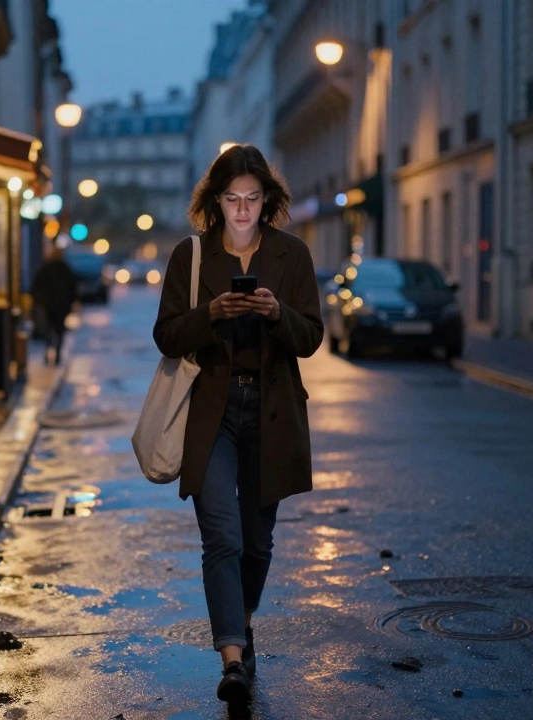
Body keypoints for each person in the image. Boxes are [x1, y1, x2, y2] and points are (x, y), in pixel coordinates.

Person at [152, 144, 323, 706]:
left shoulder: (291, 255)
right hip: (213, 415)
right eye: (232, 199)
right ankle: (231, 657)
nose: (242, 209)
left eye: (252, 199)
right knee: (221, 536)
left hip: (272, 414)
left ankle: (242, 623)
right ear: (216, 201)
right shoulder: (191, 256)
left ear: (266, 200)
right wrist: (213, 314)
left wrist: (276, 314)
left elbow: (312, 337)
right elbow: (168, 335)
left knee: (257, 542)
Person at [31, 246, 78, 365]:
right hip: (61, 304)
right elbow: (73, 287)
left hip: (49, 304)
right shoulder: (64, 268)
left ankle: (49, 350)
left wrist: (38, 300)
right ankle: (56, 351)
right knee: (59, 329)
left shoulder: (46, 268)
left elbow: (37, 285)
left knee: (49, 328)